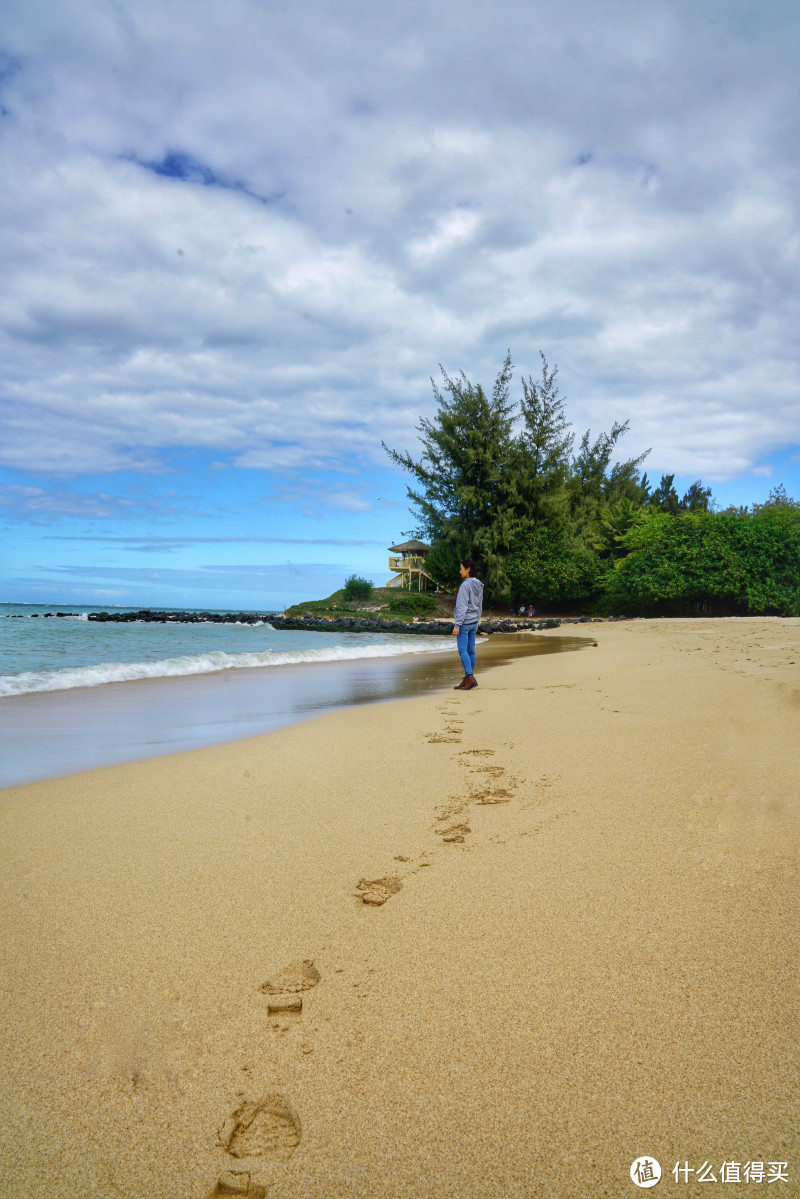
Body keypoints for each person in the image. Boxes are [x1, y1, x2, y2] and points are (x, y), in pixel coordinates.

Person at [451, 558, 484, 690]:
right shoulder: (479, 585)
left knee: (462, 650)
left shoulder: (465, 585)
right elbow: (480, 605)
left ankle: (470, 677)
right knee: (471, 651)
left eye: (461, 569)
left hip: (464, 623)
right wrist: (477, 619)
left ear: (468, 569)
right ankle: (466, 679)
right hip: (474, 622)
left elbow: (462, 606)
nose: (460, 571)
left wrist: (457, 625)